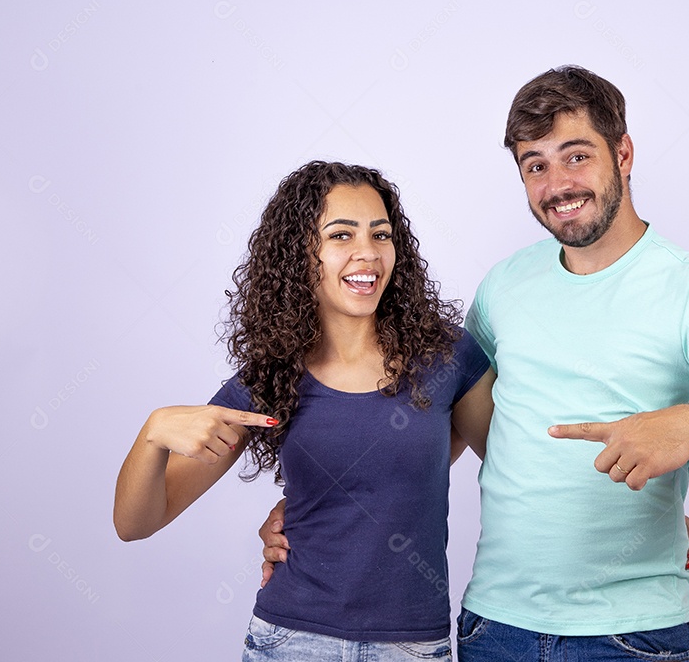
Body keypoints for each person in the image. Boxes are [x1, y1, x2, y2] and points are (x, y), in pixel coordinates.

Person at [262, 66, 689, 660]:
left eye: (576, 157)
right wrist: (317, 503)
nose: (556, 184)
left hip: (629, 638)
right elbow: (442, 423)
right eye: (535, 165)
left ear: (624, 153)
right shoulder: (503, 287)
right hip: (491, 632)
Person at [113, 161, 497, 661]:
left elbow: (509, 467)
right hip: (291, 642)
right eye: (341, 235)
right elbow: (135, 522)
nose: (368, 253)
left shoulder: (448, 357)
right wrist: (152, 434)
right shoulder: (272, 377)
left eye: (381, 235)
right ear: (300, 255)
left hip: (412, 646)